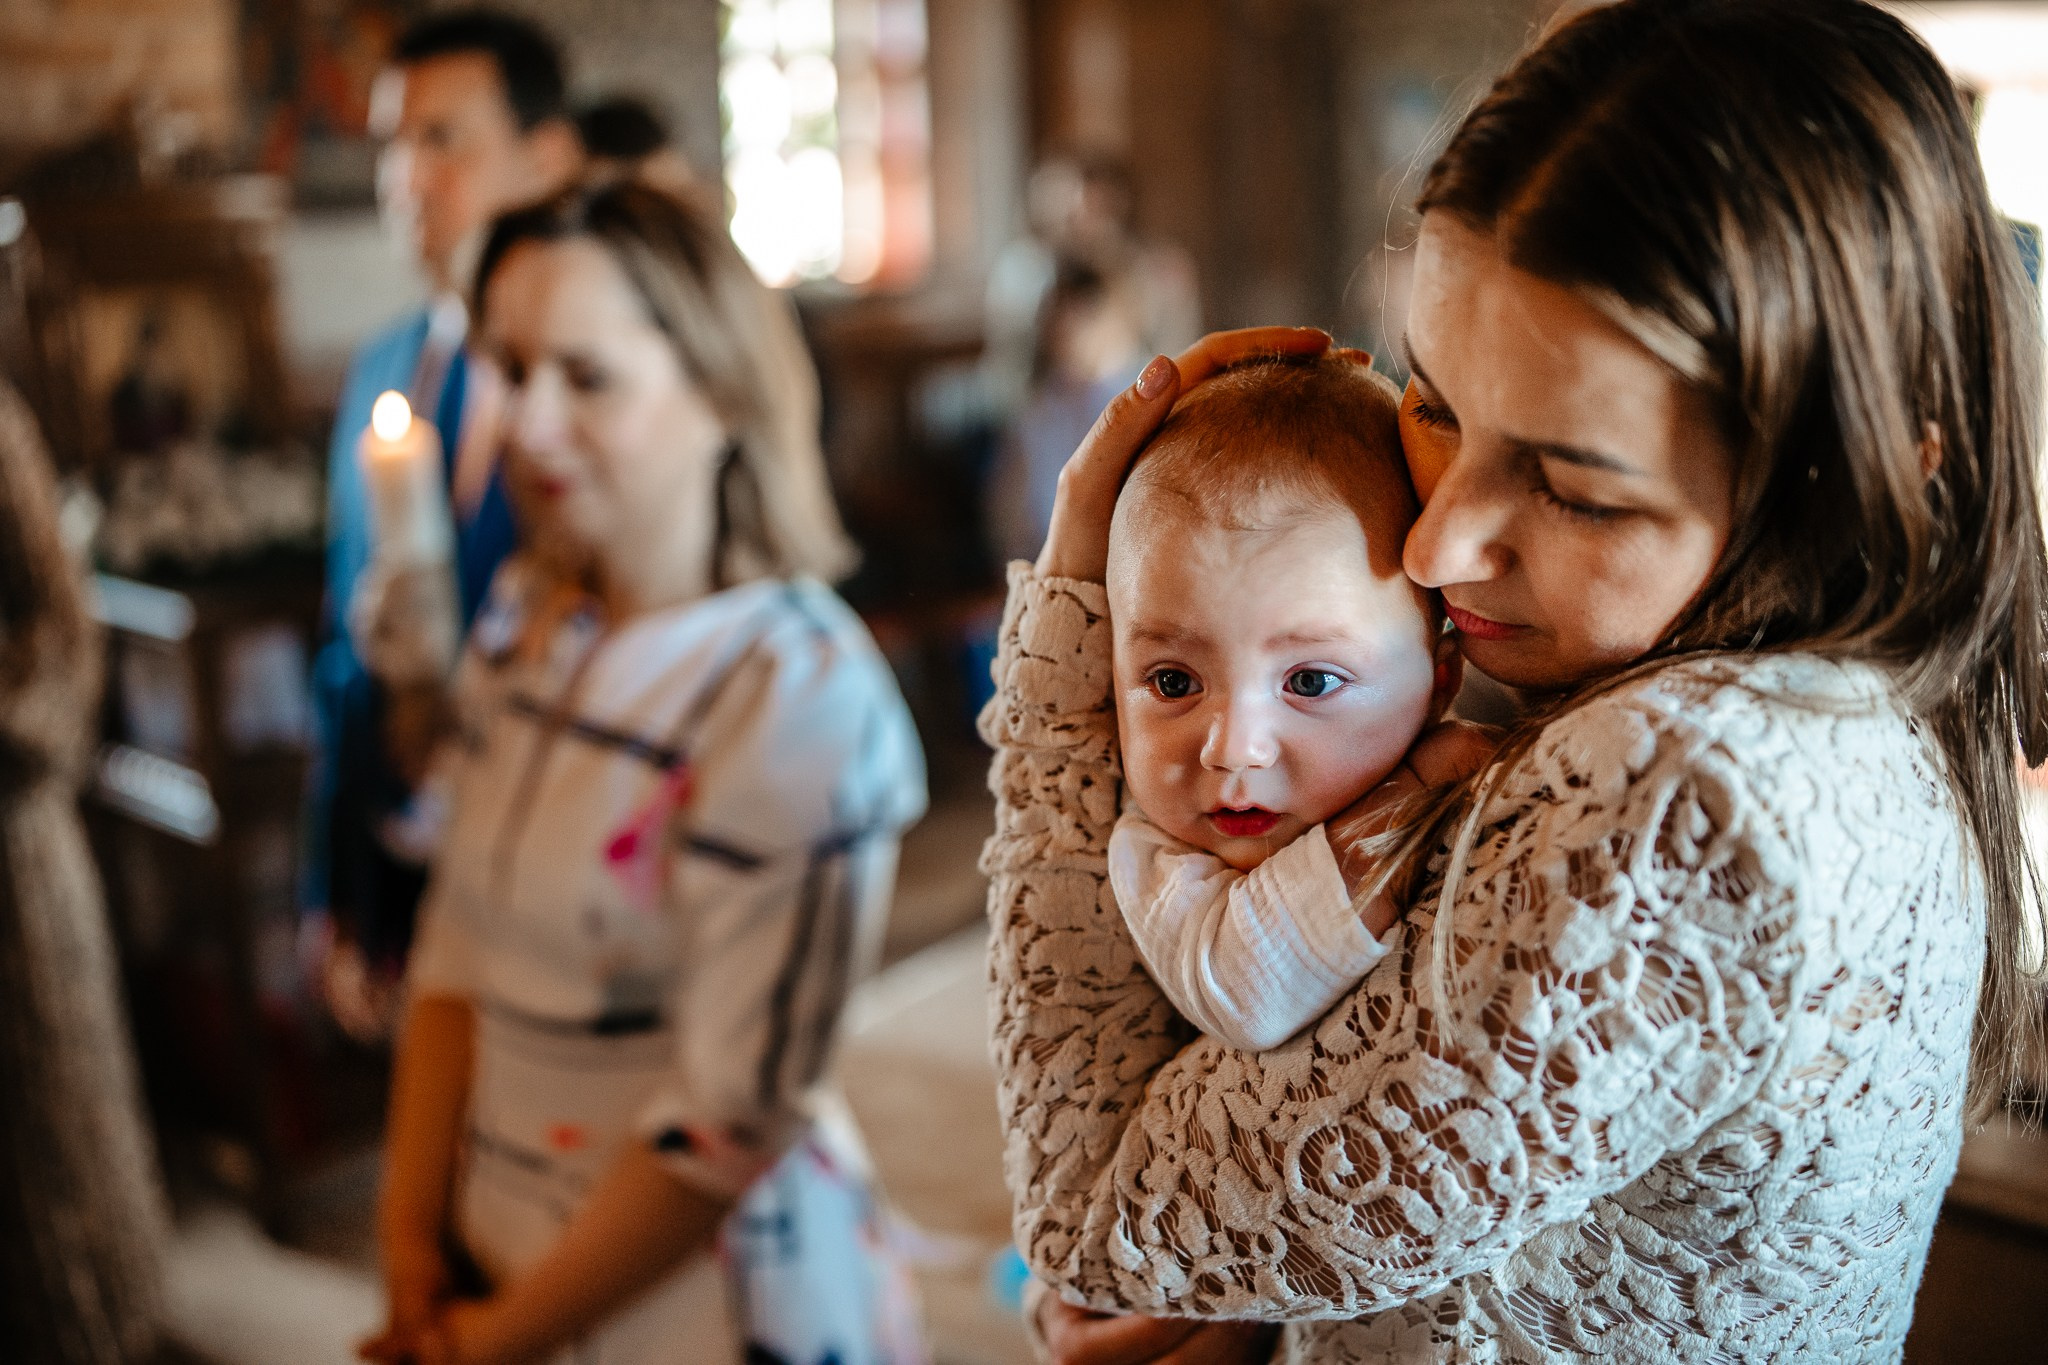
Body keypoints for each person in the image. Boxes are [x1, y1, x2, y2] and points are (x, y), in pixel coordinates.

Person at [981, 1, 2048, 1360]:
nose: (1435, 543)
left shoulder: (1687, 791)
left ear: (1851, 482)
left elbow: (1084, 1213)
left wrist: (1077, 618)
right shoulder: (1811, 696)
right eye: (1435, 403)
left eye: (1574, 487)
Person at [358, 180, 928, 1365]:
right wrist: (411, 1235)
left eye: (586, 376)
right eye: (509, 370)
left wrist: (494, 1341)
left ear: (719, 389)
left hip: (703, 1310)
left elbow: (724, 1122)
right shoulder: (527, 620)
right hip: (495, 1258)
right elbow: (455, 947)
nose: (524, 421)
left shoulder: (795, 689)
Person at [306, 7, 581, 1036]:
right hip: (399, 851)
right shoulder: (380, 370)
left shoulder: (589, 380)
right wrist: (331, 890)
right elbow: (340, 639)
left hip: (551, 875)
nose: (405, 176)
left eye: (441, 139)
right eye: (390, 143)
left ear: (545, 156)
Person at [1103, 354, 1477, 1052]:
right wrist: (1412, 796)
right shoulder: (1154, 854)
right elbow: (1245, 990)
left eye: (1308, 682)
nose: (1234, 746)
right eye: (1174, 682)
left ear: (1440, 682)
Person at [984, 249, 1149, 567]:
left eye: (1079, 312)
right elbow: (1009, 514)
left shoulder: (1143, 391)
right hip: (1047, 565)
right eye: (1057, 315)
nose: (1064, 326)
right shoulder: (1040, 406)